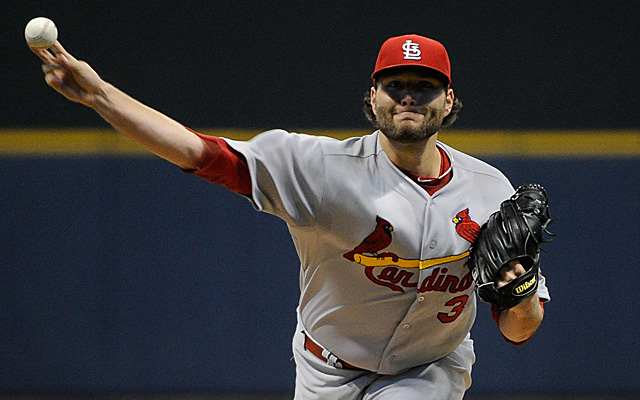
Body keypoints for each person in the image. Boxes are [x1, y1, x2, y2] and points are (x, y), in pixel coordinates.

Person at [31, 33, 549, 399]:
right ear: (373, 96)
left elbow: (520, 330)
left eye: (425, 85)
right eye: (395, 84)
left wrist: (519, 292)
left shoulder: (488, 191)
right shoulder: (320, 168)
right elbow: (201, 154)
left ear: (449, 100)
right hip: (326, 367)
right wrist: (101, 96)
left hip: (428, 369)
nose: (408, 95)